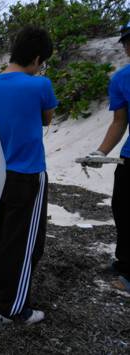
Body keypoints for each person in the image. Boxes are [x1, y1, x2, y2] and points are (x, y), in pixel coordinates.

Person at [0, 26, 58, 324]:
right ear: (36, 58)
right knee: (21, 243)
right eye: (41, 62)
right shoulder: (40, 85)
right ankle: (9, 309)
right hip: (27, 173)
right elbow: (47, 118)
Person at [84, 22, 130, 290]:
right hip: (128, 156)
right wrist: (101, 151)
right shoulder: (121, 79)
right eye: (126, 41)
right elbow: (119, 121)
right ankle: (125, 263)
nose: (127, 46)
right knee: (122, 209)